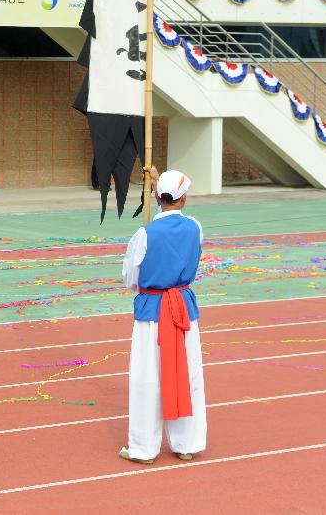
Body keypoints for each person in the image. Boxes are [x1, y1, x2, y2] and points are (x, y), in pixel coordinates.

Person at [119, 166, 206, 464]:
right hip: (182, 311)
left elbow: (130, 278)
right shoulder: (195, 226)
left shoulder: (143, 234)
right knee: (188, 374)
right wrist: (158, 181)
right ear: (184, 200)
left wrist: (157, 184)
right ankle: (187, 442)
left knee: (147, 379)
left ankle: (144, 447)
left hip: (152, 313)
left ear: (156, 196)